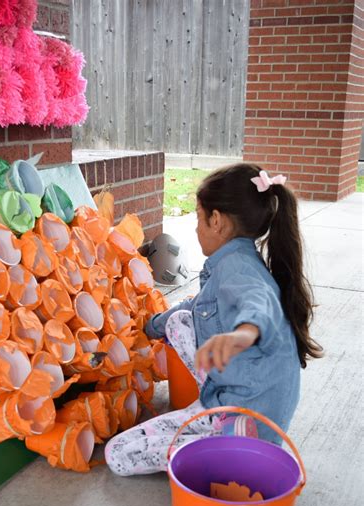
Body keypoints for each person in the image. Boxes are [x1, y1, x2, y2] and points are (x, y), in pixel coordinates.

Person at [105, 162, 323, 476]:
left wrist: (242, 335)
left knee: (118, 454)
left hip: (247, 419)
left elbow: (258, 303)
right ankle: (212, 429)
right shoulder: (236, 258)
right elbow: (197, 306)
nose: (196, 227)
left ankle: (227, 455)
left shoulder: (239, 270)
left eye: (198, 217)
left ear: (216, 221)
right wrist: (147, 325)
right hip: (237, 398)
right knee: (179, 319)